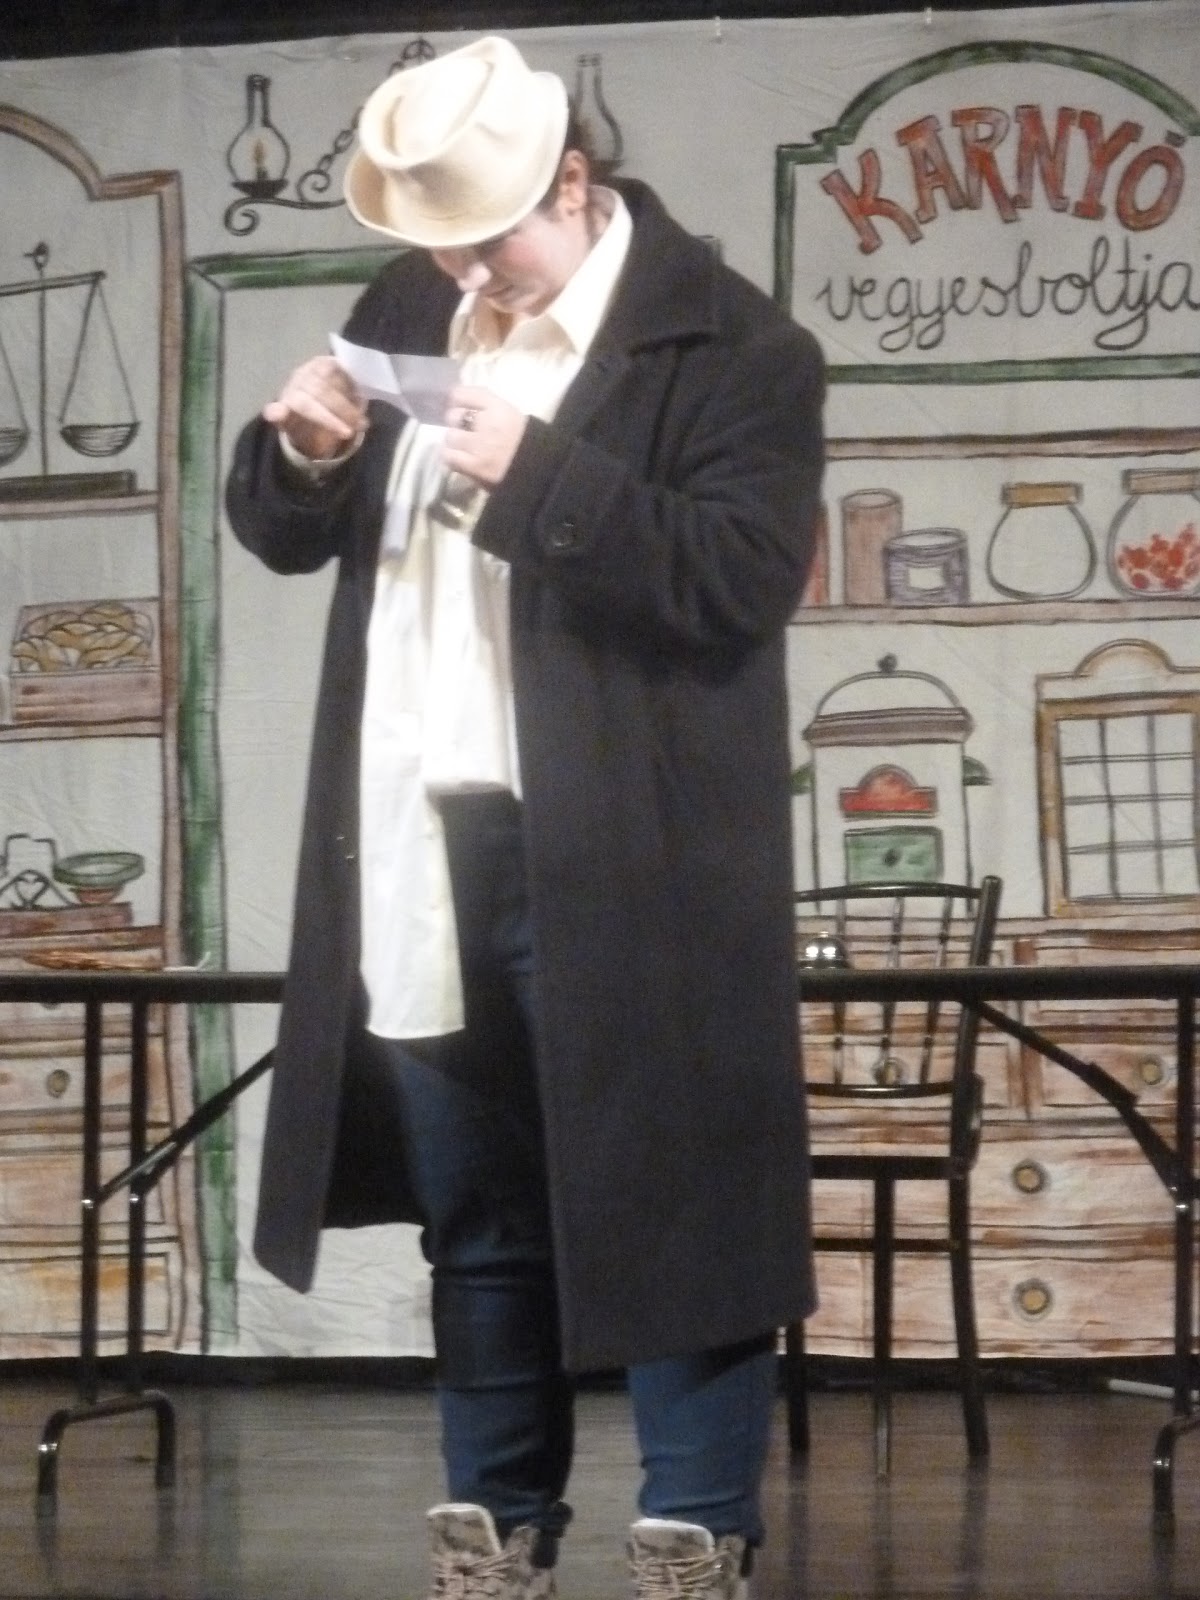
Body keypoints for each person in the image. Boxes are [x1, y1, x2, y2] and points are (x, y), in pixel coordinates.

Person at [225, 33, 825, 1600]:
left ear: (574, 181)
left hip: (636, 851)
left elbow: (739, 582)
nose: (465, 274)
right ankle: (496, 1530)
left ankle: (696, 1533)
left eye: (488, 239)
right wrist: (304, 456)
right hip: (427, 834)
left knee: (678, 1195)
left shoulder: (734, 347)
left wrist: (544, 475)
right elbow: (289, 533)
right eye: (441, 246)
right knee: (477, 1208)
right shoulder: (406, 307)